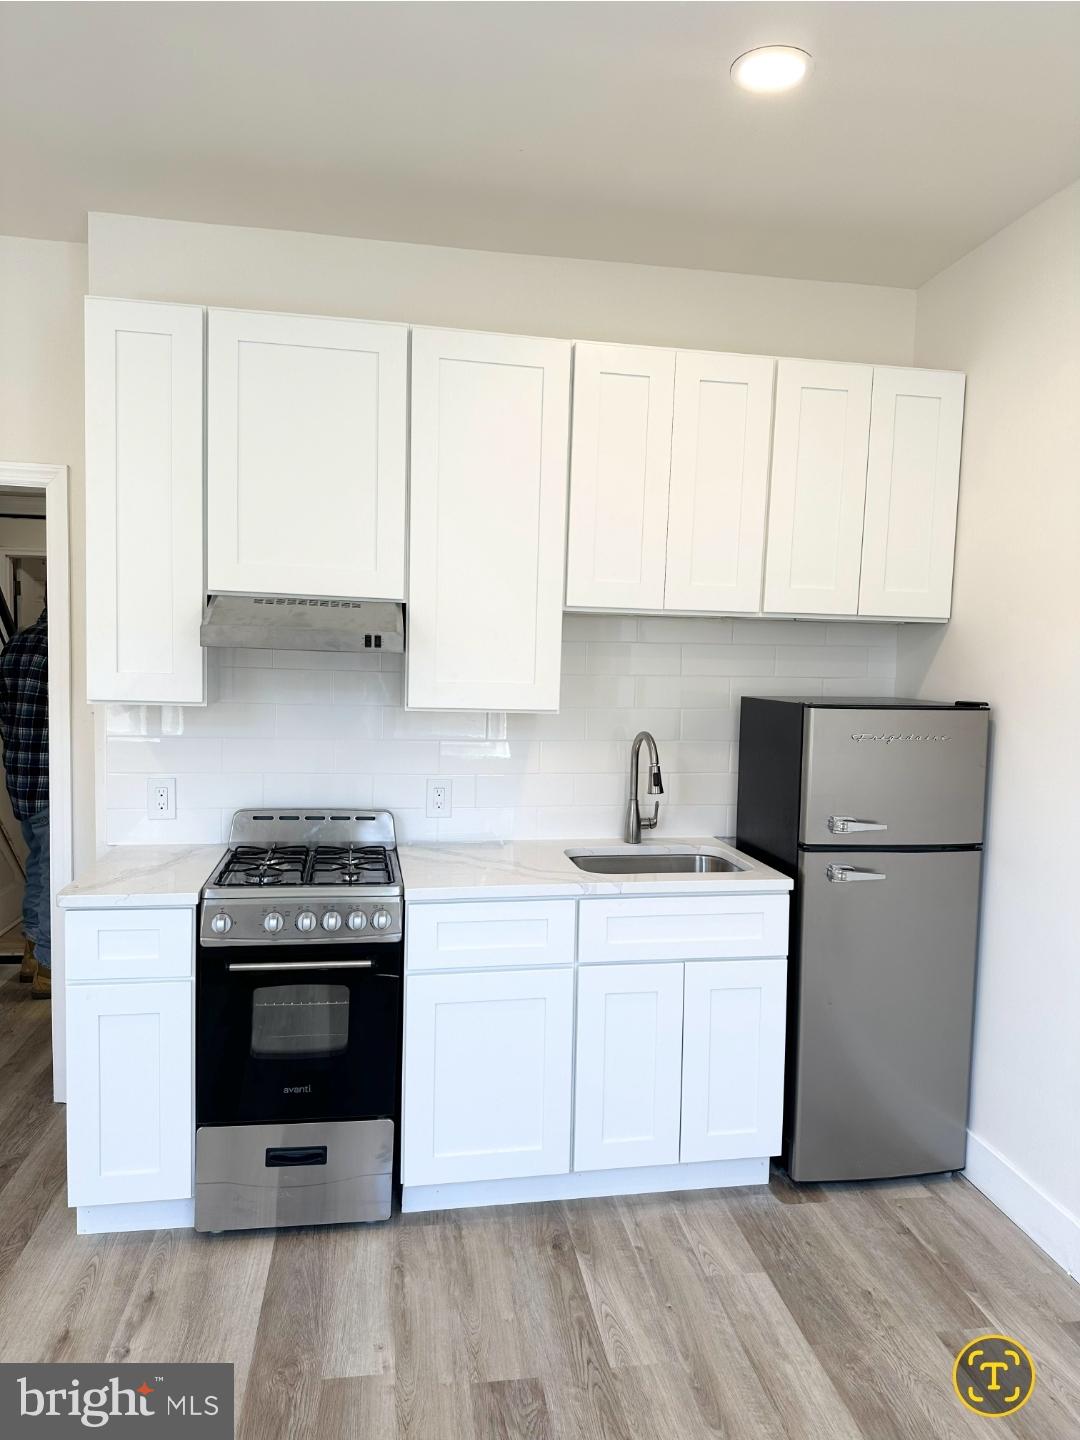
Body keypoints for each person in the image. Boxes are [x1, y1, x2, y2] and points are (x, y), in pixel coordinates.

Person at [0, 608, 50, 999]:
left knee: (38, 867)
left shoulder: (14, 645)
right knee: (52, 874)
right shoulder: (61, 649)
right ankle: (49, 968)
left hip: (21, 782)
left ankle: (30, 956)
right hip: (52, 782)